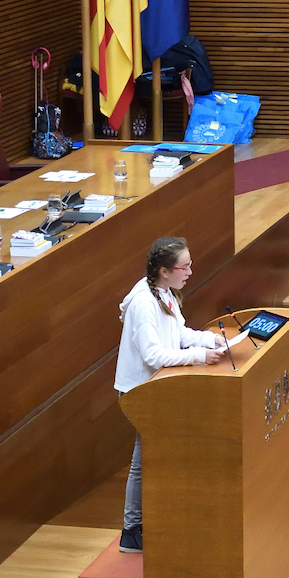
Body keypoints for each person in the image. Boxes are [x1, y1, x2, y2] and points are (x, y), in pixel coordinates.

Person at [115, 237, 226, 554]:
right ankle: (132, 530)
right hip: (140, 392)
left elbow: (179, 335)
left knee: (150, 459)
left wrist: (211, 340)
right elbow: (153, 355)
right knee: (142, 462)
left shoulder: (163, 293)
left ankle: (146, 524)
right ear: (165, 270)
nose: (190, 271)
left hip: (158, 388)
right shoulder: (143, 304)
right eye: (185, 266)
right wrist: (199, 357)